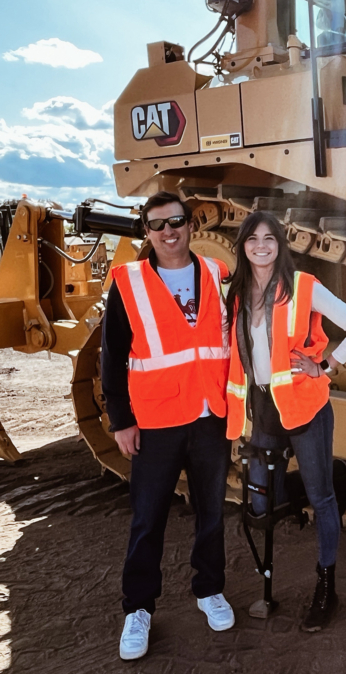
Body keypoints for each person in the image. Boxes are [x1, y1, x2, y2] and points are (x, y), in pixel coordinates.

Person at [101, 191, 235, 661]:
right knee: (147, 518)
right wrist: (121, 420)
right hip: (156, 421)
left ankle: (209, 589)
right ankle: (138, 608)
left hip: (209, 417)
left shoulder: (217, 274)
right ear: (147, 232)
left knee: (212, 512)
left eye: (176, 221)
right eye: (158, 224)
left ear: (191, 225)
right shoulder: (130, 282)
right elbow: (113, 356)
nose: (169, 231)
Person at [224, 211, 346, 632]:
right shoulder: (235, 293)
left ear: (280, 244)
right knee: (258, 502)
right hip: (264, 409)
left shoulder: (303, 286)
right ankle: (331, 475)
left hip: (306, 407)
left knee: (320, 498)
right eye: (253, 239)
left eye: (270, 238)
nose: (261, 246)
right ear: (244, 246)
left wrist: (324, 366)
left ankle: (327, 587)